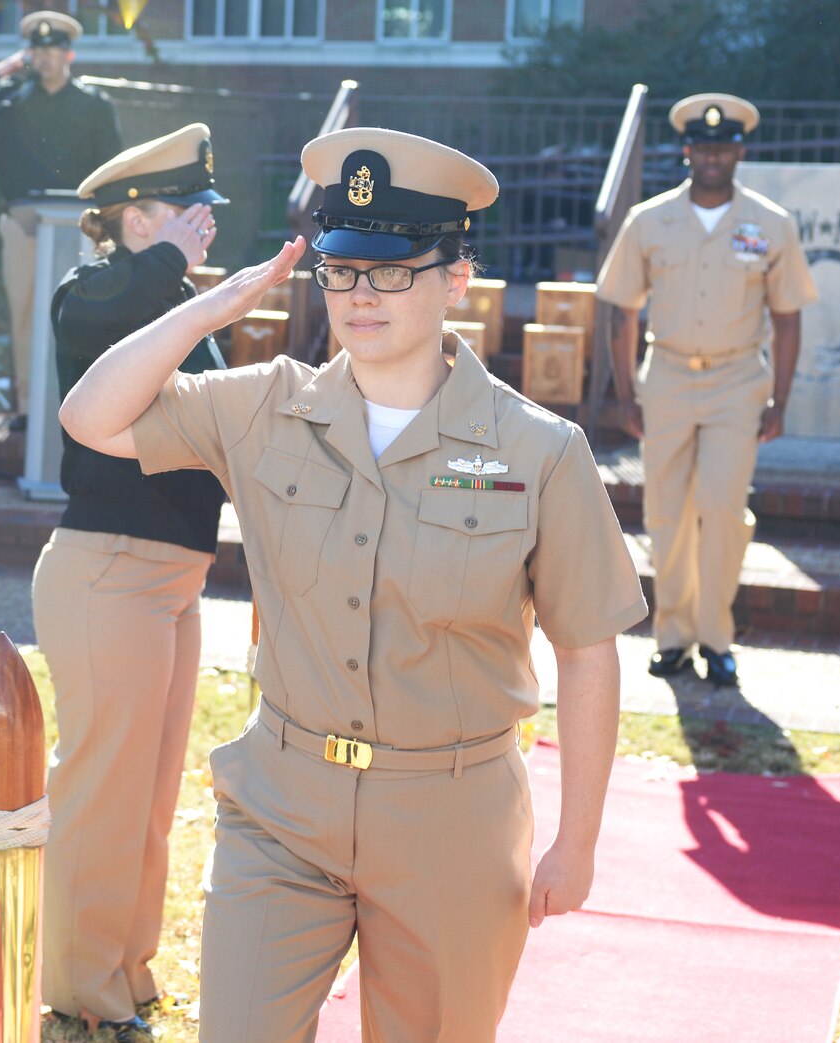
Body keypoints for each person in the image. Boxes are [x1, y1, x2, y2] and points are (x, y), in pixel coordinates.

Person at [60, 127, 649, 1042]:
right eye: (341, 270)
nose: (360, 295)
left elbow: (587, 648)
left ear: (457, 277)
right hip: (282, 805)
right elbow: (90, 416)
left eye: (393, 269)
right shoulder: (262, 403)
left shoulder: (537, 450)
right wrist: (204, 311)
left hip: (453, 817)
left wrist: (578, 839)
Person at [33, 123, 226, 1040]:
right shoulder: (95, 291)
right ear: (133, 218)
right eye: (191, 215)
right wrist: (168, 271)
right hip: (108, 570)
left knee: (149, 791)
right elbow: (95, 316)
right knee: (104, 791)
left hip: (174, 577)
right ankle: (79, 995)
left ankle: (127, 974)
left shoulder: (165, 300)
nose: (207, 231)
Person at [597, 94, 818, 686]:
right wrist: (626, 394)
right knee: (666, 512)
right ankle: (673, 637)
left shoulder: (771, 223)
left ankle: (716, 638)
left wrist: (781, 400)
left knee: (721, 510)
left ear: (739, 152)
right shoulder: (650, 219)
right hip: (666, 377)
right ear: (688, 151)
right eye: (703, 147)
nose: (713, 156)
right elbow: (620, 309)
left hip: (737, 380)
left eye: (724, 147)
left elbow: (789, 316)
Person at [0, 10, 122, 418]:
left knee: (78, 315)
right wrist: (1, 69)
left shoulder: (93, 105)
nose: (44, 58)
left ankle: (80, 406)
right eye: (36, 51)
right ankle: (27, 409)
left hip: (78, 227)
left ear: (68, 55)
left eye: (52, 50)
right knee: (24, 315)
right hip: (23, 225)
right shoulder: (10, 100)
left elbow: (111, 168)